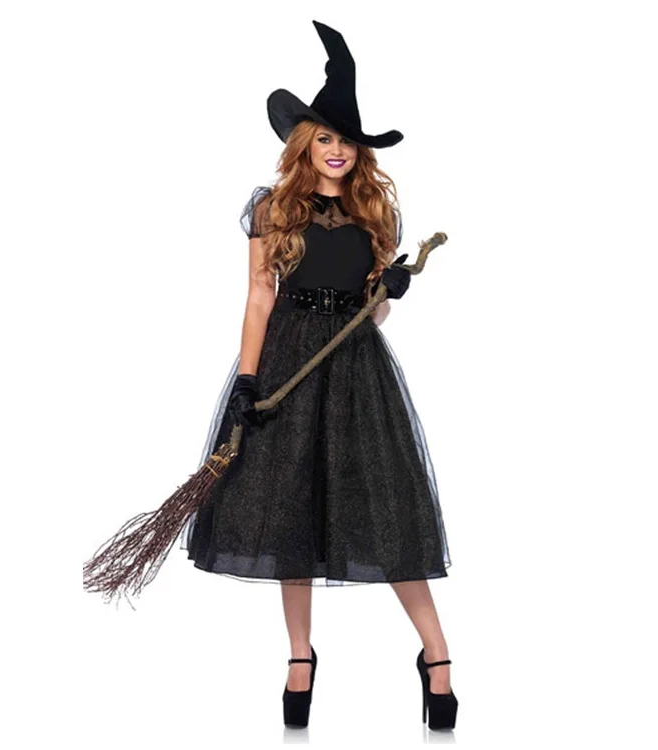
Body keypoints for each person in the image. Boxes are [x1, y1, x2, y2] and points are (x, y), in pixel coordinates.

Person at [178, 20, 457, 731]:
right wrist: (247, 383)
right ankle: (299, 656)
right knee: (289, 510)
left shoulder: (375, 211)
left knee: (389, 510)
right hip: (287, 365)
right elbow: (259, 297)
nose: (337, 150)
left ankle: (437, 656)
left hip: (356, 369)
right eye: (325, 138)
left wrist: (388, 292)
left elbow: (373, 316)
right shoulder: (273, 208)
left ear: (360, 152)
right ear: (305, 143)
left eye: (347, 142)